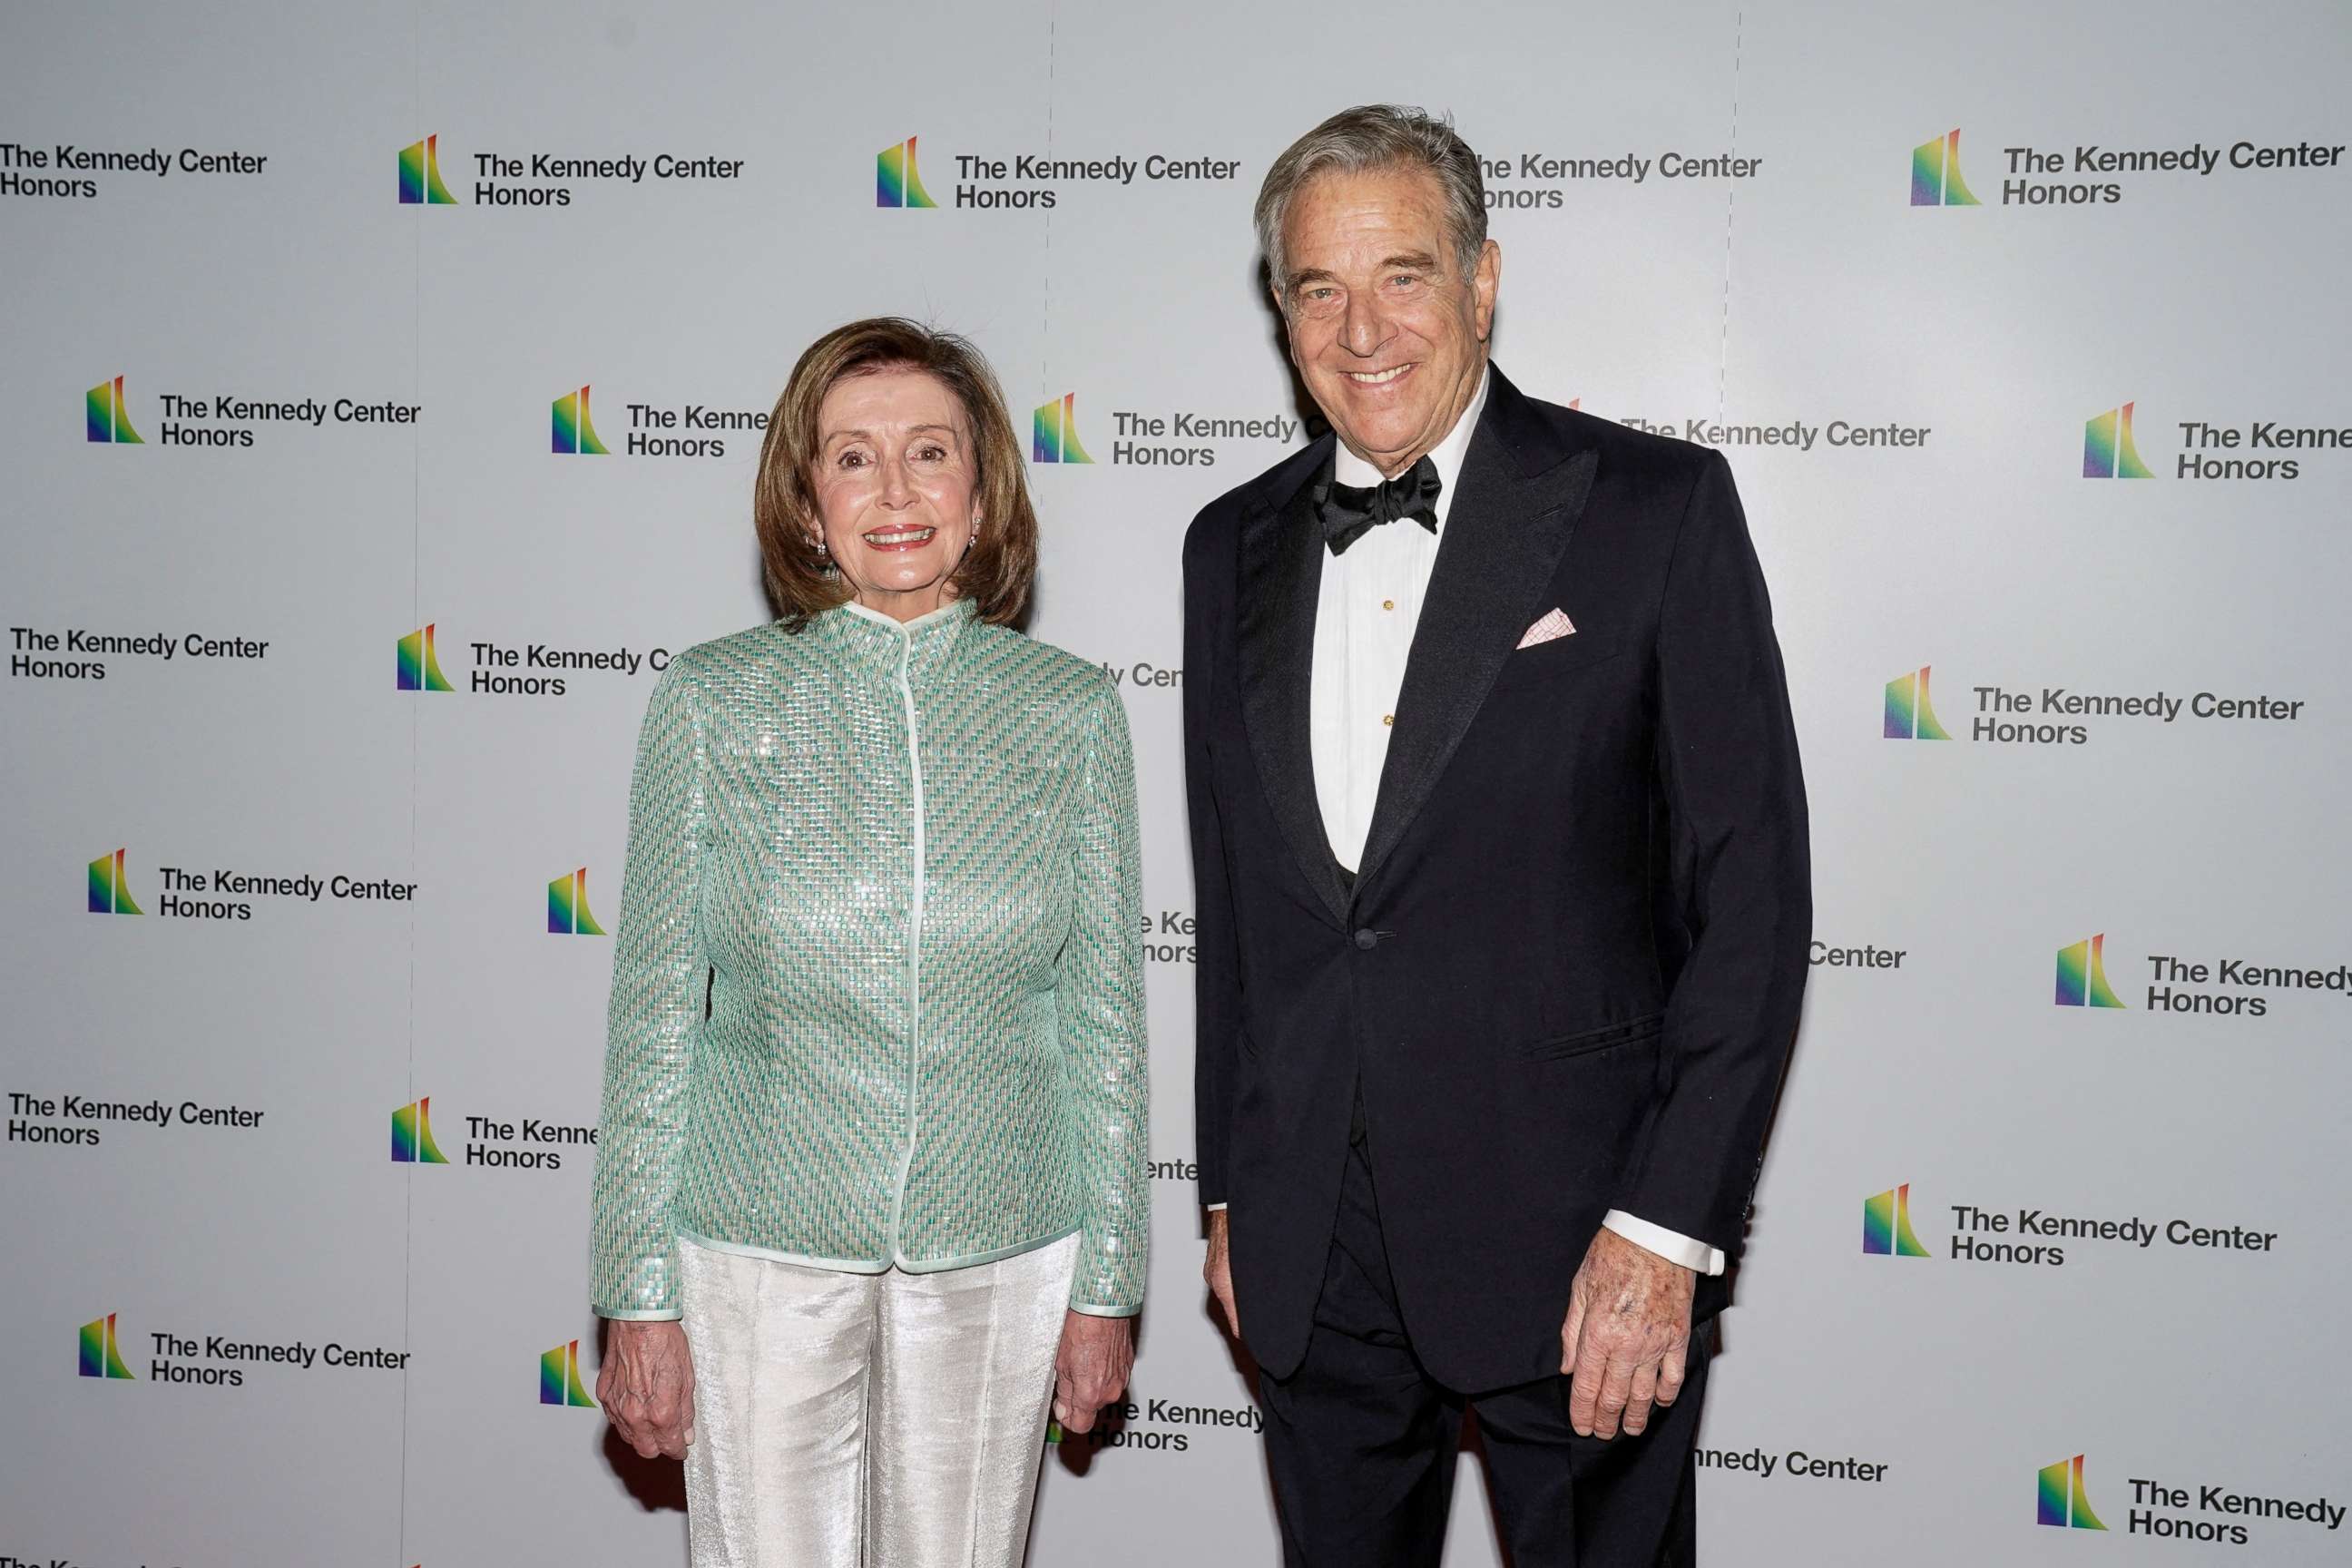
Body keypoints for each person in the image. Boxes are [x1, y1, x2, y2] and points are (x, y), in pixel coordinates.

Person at [1183, 107, 1810, 1566]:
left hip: (1583, 1248)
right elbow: (1239, 913)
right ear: (1280, 313)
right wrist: (1230, 1188)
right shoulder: (1230, 547)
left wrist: (1664, 1232)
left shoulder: (1652, 509)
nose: (1361, 329)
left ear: (1482, 281)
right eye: (1317, 289)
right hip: (1311, 1255)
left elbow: (1755, 903)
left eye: (1402, 275)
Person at [588, 317, 1148, 1568]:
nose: (895, 493)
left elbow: (1104, 1023)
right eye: (852, 458)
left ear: (983, 486)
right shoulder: (711, 701)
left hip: (1002, 1255)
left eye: (930, 453)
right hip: (754, 1257)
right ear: (804, 498)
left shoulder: (1070, 717)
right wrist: (638, 1292)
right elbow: (655, 1018)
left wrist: (1107, 1282)